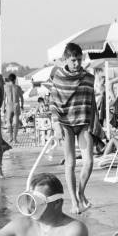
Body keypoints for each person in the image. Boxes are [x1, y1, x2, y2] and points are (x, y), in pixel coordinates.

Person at [50, 42, 96, 214]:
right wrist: (56, 124)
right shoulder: (59, 77)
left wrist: (95, 123)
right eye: (73, 60)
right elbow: (53, 102)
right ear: (65, 60)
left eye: (79, 59)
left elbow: (92, 102)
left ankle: (81, 191)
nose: (77, 63)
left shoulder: (89, 78)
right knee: (70, 163)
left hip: (83, 122)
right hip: (66, 123)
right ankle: (75, 201)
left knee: (89, 162)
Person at [4, 73, 24, 145]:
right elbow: (21, 98)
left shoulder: (5, 87)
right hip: (16, 105)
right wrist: (22, 106)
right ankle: (15, 139)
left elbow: (4, 99)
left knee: (9, 122)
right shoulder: (18, 87)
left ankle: (10, 137)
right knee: (15, 123)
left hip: (9, 105)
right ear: (15, 79)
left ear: (9, 79)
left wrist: (3, 108)